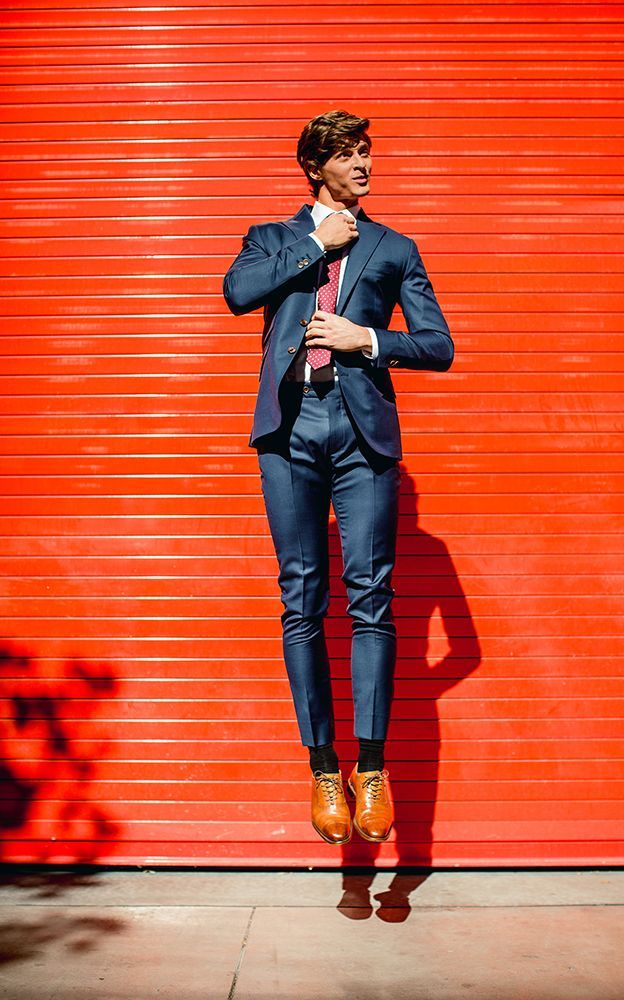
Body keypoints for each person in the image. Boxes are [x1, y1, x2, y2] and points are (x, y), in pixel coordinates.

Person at [223, 109, 454, 845]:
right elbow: (237, 292)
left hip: (361, 437)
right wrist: (314, 247)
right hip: (288, 432)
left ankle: (372, 766)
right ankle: (324, 767)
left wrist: (368, 339)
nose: (365, 165)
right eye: (350, 155)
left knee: (371, 600)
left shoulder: (394, 246)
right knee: (300, 597)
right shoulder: (272, 238)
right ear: (314, 165)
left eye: (367, 154)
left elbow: (438, 345)